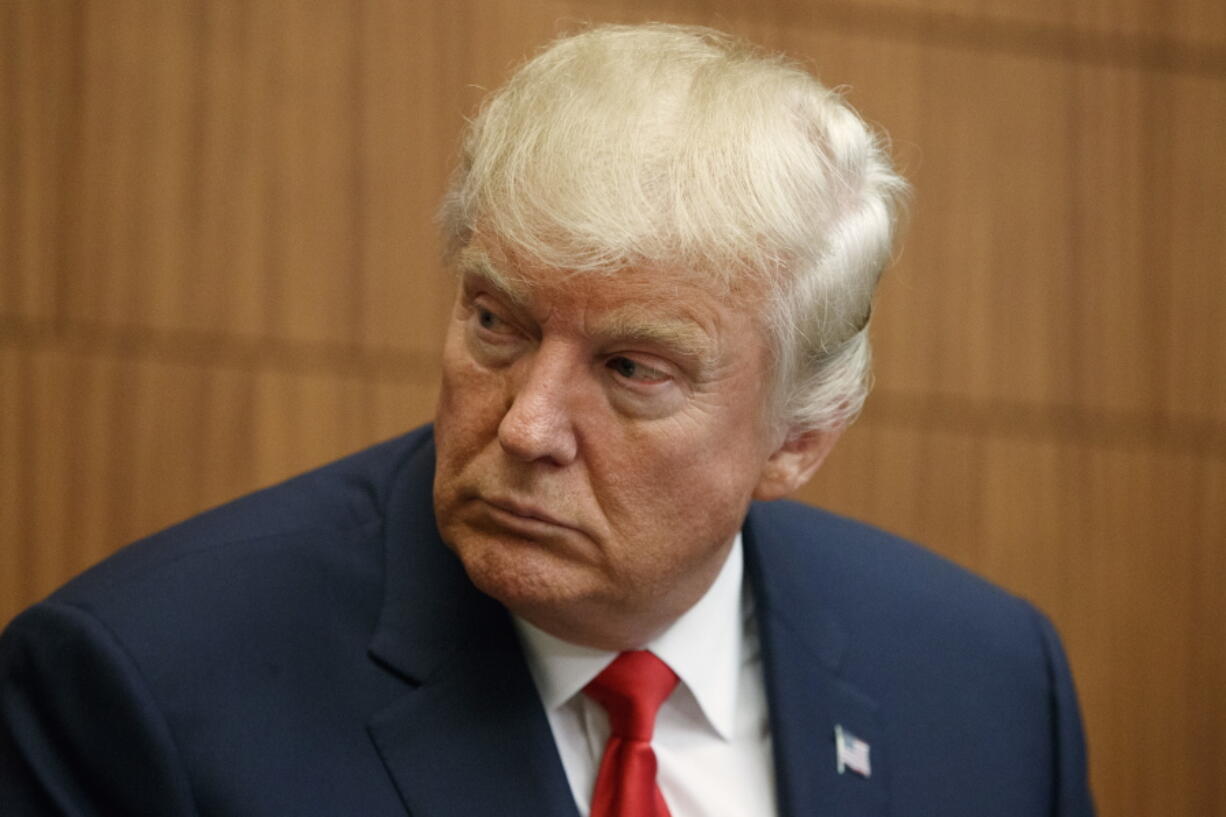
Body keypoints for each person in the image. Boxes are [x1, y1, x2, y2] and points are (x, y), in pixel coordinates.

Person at [0, 23, 1093, 817]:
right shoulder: (140, 686)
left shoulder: (987, 686)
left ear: (798, 437)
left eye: (631, 369)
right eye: (495, 324)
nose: (526, 426)